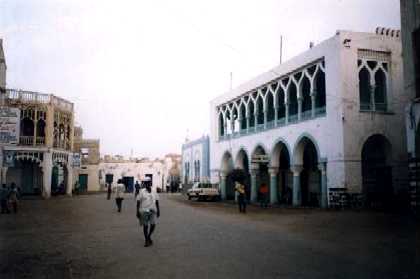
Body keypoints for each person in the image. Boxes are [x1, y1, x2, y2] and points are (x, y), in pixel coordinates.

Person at [136, 181, 160, 247]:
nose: (147, 184)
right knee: (145, 226)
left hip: (153, 210)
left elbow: (157, 201)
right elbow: (138, 201)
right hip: (144, 211)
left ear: (150, 184)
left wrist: (158, 210)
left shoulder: (154, 191)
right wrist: (137, 211)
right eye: (145, 183)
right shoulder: (141, 191)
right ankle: (146, 240)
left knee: (153, 225)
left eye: (148, 183)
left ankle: (149, 236)